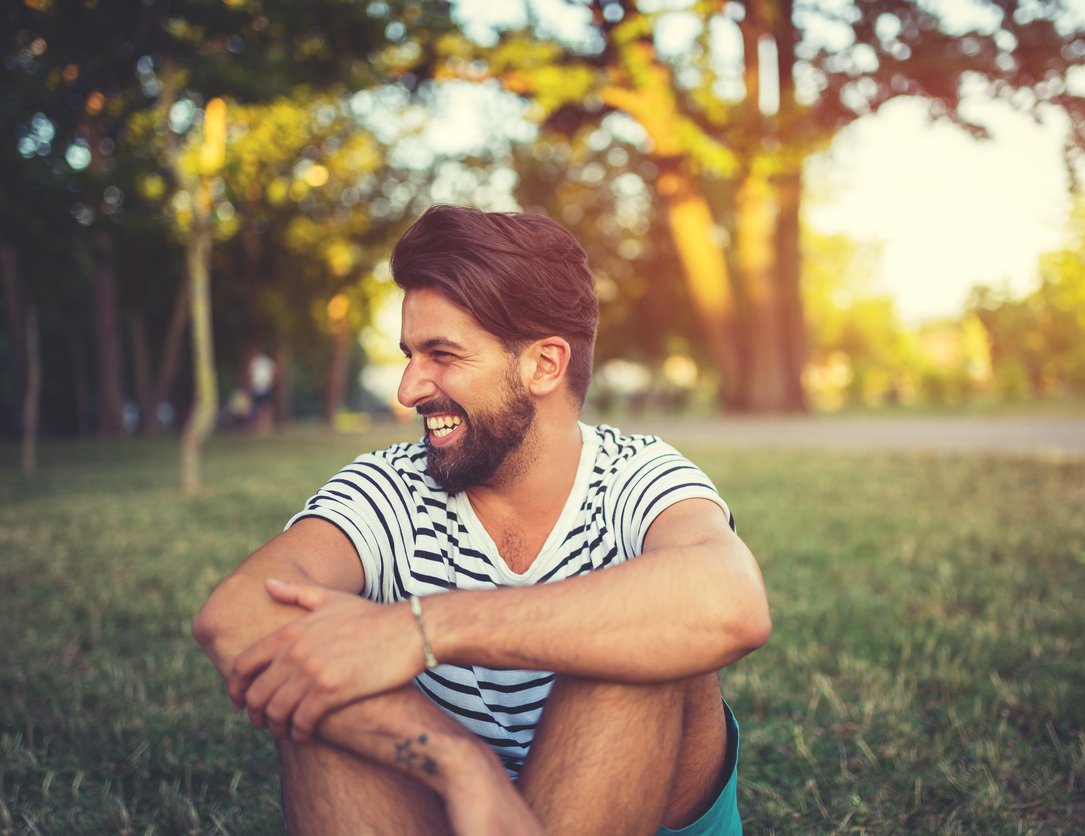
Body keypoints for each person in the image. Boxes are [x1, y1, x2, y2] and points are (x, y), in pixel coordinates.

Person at [193, 205, 772, 835]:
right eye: (411, 354)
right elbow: (235, 616)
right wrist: (462, 762)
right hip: (448, 814)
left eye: (442, 354)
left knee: (641, 641)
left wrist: (419, 630)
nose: (409, 389)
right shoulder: (388, 488)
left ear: (544, 365)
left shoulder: (637, 476)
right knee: (318, 680)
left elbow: (731, 600)